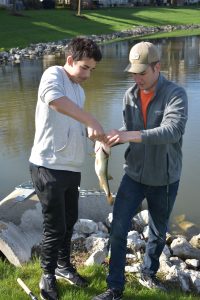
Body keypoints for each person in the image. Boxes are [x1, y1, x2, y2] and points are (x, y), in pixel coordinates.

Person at [93, 41, 188, 300]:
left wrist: (131, 134)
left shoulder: (176, 94)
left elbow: (173, 130)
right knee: (118, 228)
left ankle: (148, 271)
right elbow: (129, 126)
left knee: (158, 231)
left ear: (157, 67)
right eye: (133, 73)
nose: (137, 78)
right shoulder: (130, 95)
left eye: (142, 73)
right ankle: (115, 288)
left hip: (165, 178)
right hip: (133, 175)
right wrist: (116, 137)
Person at [29, 37, 105, 300]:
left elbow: (72, 123)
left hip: (71, 169)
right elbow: (55, 102)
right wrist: (91, 118)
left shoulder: (80, 91)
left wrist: (93, 137)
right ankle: (47, 274)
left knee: (69, 221)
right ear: (70, 60)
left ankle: (62, 266)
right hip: (47, 166)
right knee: (55, 227)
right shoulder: (54, 75)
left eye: (92, 70)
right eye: (84, 67)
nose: (87, 75)